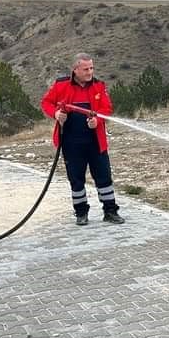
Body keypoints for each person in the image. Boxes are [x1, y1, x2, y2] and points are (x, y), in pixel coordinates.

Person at [40, 53, 125, 225]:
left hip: (95, 141)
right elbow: (46, 103)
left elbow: (106, 108)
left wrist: (97, 120)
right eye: (86, 69)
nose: (90, 72)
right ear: (75, 70)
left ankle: (110, 211)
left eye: (91, 68)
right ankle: (81, 213)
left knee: (104, 176)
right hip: (71, 142)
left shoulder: (98, 86)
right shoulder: (61, 85)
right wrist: (56, 114)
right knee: (76, 178)